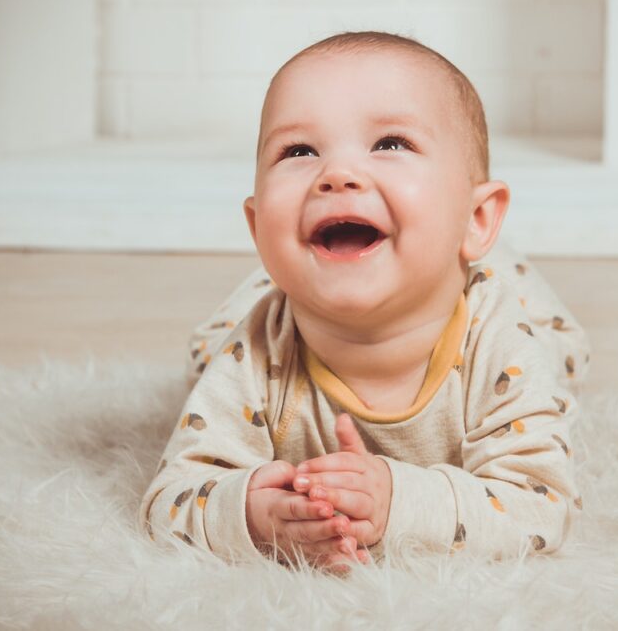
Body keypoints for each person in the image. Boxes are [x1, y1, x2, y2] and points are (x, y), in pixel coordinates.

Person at [139, 31, 590, 570]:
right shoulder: (257, 352)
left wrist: (399, 500)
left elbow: (542, 508)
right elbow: (172, 499)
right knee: (207, 353)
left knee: (562, 355)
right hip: (283, 287)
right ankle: (281, 272)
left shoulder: (501, 342)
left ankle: (485, 253)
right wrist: (251, 514)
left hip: (500, 292)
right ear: (258, 228)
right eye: (299, 151)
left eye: (390, 144)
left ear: (477, 218)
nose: (337, 175)